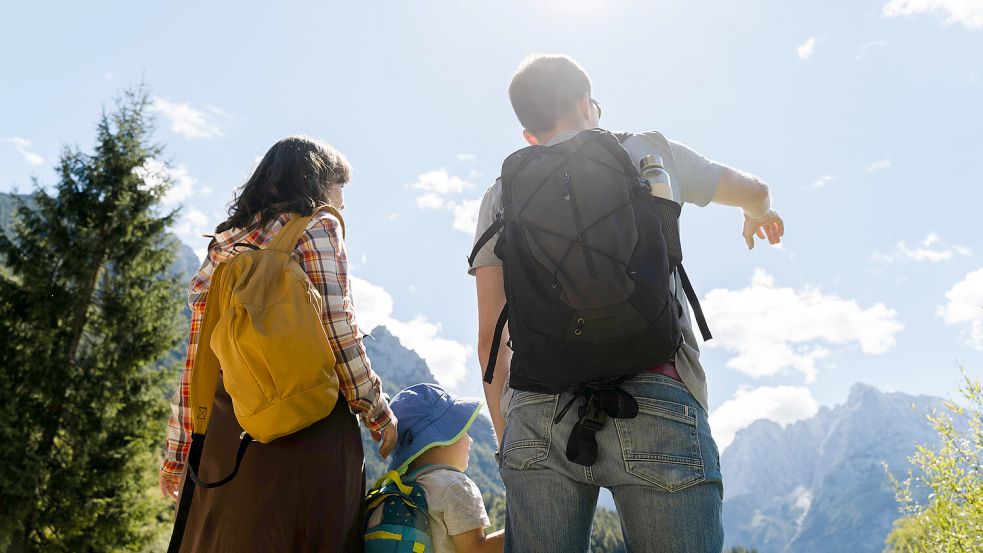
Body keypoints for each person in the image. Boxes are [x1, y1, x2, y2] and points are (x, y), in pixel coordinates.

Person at [470, 54, 785, 552]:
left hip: (538, 410)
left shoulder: (502, 194)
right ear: (585, 103)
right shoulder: (647, 152)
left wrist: (514, 438)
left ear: (528, 135)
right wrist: (758, 212)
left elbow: (491, 339)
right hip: (657, 393)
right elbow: (754, 189)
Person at [159, 136, 397, 552]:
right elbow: (339, 331)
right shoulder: (317, 226)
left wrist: (179, 452)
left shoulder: (224, 247)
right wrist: (377, 411)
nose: (342, 201)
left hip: (226, 438)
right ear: (319, 184)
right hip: (306, 430)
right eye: (340, 187)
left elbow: (197, 363)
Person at [373, 383, 504, 553]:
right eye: (463, 430)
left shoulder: (391, 490)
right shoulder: (455, 485)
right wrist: (525, 527)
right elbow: (475, 550)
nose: (470, 439)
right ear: (442, 437)